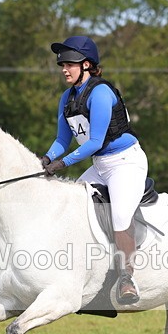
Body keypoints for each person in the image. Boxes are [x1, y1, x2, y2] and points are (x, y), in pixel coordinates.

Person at [41, 35, 147, 305]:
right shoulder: (67, 97)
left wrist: (63, 163)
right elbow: (62, 140)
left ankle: (127, 279)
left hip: (126, 163)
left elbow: (96, 142)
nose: (64, 68)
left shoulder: (100, 93)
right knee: (71, 207)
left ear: (87, 65)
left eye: (70, 64)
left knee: (120, 217)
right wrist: (46, 158)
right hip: (100, 166)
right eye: (61, 64)